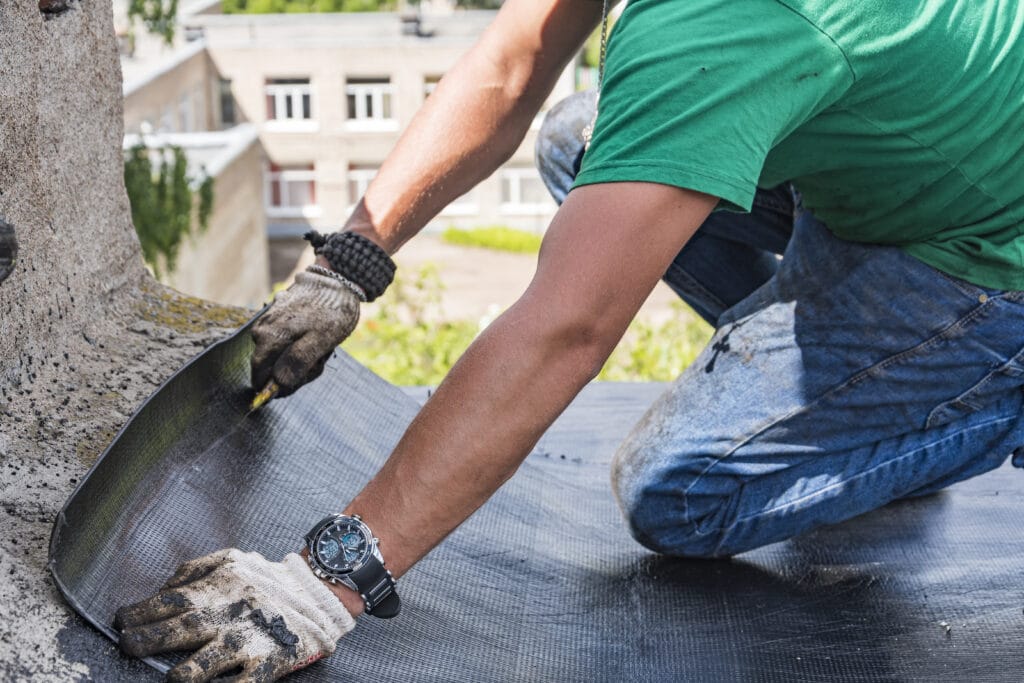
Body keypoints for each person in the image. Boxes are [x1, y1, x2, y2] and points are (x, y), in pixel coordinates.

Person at [114, 0, 1024, 680]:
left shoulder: (728, 25)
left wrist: (328, 579)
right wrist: (348, 263)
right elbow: (510, 66)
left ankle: (961, 393)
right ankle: (857, 382)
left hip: (985, 258)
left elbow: (568, 329)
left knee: (680, 494)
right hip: (914, 157)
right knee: (585, 141)